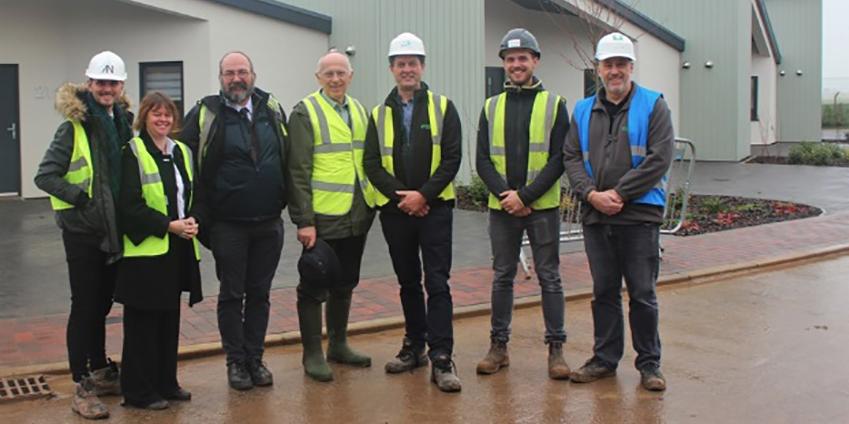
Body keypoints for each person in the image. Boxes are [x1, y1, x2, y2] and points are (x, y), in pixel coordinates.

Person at [563, 32, 674, 391]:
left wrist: (619, 194)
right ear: (598, 68)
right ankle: (605, 359)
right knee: (604, 292)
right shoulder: (582, 110)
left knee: (642, 292)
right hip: (597, 214)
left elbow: (659, 159)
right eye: (608, 65)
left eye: (621, 65)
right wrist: (592, 194)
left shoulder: (654, 105)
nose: (615, 71)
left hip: (639, 215)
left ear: (631, 67)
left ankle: (649, 365)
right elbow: (571, 158)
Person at [181, 51, 288, 391]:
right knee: (232, 294)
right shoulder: (204, 113)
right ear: (220, 78)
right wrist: (198, 216)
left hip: (269, 221)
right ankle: (236, 362)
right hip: (228, 224)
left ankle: (255, 358)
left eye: (242, 72)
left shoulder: (272, 108)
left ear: (253, 75)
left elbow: (289, 157)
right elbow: (185, 166)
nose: (236, 78)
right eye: (229, 73)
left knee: (260, 293)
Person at [363, 32, 462, 393]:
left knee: (437, 282)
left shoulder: (443, 107)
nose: (407, 69)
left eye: (413, 63)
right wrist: (402, 197)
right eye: (401, 63)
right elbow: (371, 163)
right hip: (396, 211)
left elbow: (452, 158)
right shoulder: (377, 114)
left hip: (434, 210)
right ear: (392, 68)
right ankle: (414, 347)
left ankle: (442, 356)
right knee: (407, 282)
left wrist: (423, 196)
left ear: (422, 66)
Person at [34, 50, 130, 419]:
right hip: (84, 232)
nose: (106, 89)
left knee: (102, 305)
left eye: (112, 83)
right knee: (86, 306)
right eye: (100, 82)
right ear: (89, 84)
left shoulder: (122, 122)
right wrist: (83, 199)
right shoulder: (73, 127)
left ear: (121, 87)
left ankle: (102, 370)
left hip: (112, 230)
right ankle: (82, 384)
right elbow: (45, 176)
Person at [475, 28, 571, 380]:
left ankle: (556, 349)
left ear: (535, 61)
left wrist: (525, 197)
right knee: (502, 276)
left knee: (550, 277)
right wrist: (507, 196)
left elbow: (561, 158)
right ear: (503, 63)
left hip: (541, 208)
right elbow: (482, 160)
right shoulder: (491, 106)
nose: (517, 64)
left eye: (523, 58)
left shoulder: (555, 105)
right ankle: (498, 347)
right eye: (510, 59)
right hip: (503, 209)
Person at [286, 51, 375, 382]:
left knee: (345, 282)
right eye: (329, 74)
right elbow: (297, 170)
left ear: (351, 76)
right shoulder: (304, 112)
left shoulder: (360, 111)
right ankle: (312, 354)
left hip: (357, 212)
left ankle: (338, 344)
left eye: (341, 73)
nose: (336, 79)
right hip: (322, 217)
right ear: (318, 77)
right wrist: (303, 220)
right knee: (314, 283)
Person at [115, 92, 203, 409]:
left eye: (168, 114)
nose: (163, 119)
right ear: (144, 117)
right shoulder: (133, 152)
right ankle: (139, 391)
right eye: (156, 114)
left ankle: (166, 382)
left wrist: (194, 220)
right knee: (142, 325)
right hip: (145, 254)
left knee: (168, 319)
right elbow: (129, 205)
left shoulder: (181, 151)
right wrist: (169, 225)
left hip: (176, 250)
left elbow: (194, 191)